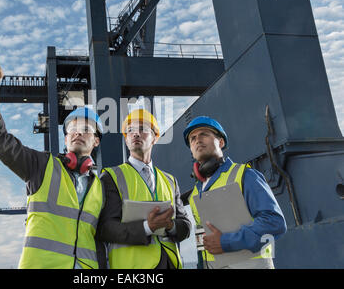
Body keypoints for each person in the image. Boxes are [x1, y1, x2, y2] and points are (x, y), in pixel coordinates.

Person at [0, 43, 105, 269]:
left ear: (96, 141)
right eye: (72, 130)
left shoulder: (102, 187)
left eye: (85, 129)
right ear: (65, 139)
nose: (77, 133)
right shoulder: (41, 166)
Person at [183, 116, 287, 269]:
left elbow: (275, 223)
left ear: (221, 142)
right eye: (192, 138)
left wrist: (226, 242)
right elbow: (202, 242)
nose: (197, 140)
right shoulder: (194, 195)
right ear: (191, 151)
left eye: (204, 134)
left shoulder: (245, 175)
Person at [96, 109, 191, 269]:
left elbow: (185, 226)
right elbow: (105, 228)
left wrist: (170, 226)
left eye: (143, 129)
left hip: (170, 263)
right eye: (130, 130)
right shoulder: (111, 177)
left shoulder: (170, 180)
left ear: (155, 138)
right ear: (126, 141)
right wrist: (148, 227)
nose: (135, 134)